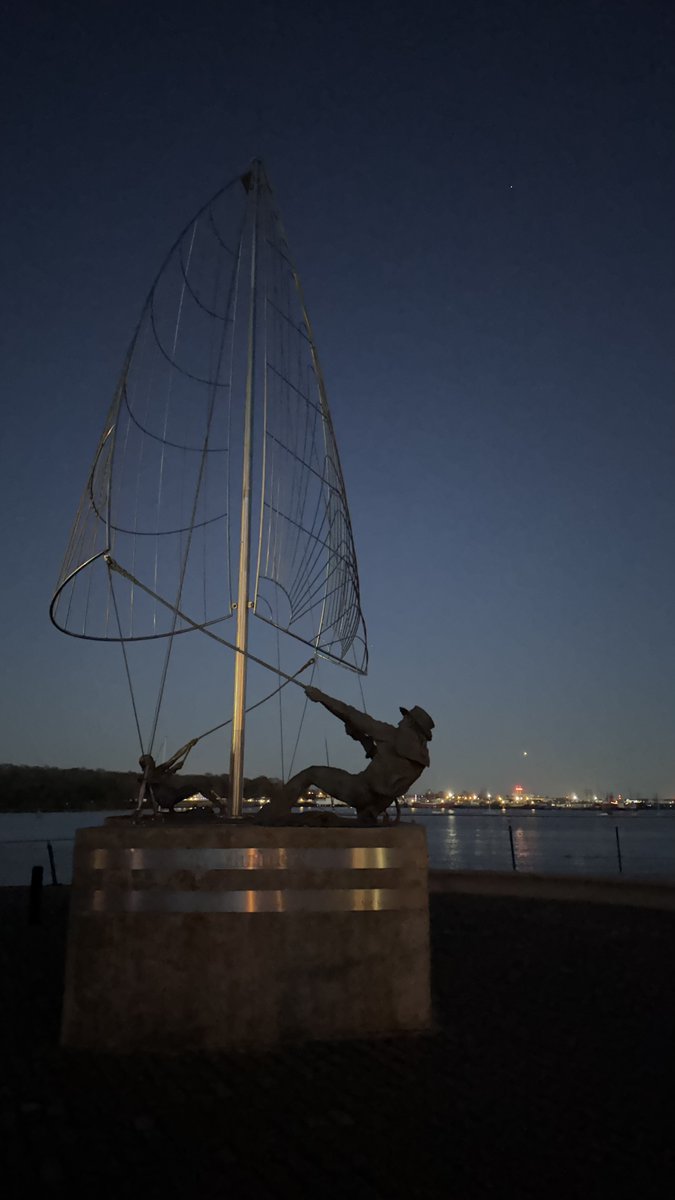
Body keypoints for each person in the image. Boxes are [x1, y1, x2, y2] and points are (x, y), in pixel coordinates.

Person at [258, 686, 434, 823]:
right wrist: (361, 738)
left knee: (311, 773)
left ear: (411, 724)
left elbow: (349, 713)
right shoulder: (419, 762)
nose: (400, 721)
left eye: (404, 719)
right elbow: (384, 771)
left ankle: (276, 811)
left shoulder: (391, 735)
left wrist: (321, 698)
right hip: (374, 806)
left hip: (359, 790)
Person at [136, 740, 198, 814]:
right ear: (148, 764)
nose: (155, 761)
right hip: (166, 800)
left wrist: (188, 746)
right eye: (152, 761)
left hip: (170, 796)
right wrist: (173, 769)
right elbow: (142, 793)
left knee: (189, 787)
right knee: (195, 786)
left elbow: (173, 758)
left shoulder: (157, 770)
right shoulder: (146, 778)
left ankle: (171, 811)